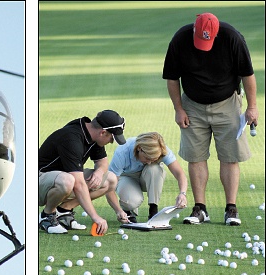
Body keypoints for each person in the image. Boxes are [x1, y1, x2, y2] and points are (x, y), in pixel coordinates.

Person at [162, 13, 259, 226]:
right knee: (195, 156)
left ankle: (231, 209)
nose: (202, 45)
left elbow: (247, 75)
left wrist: (252, 107)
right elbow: (172, 78)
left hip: (228, 103)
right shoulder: (180, 39)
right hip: (193, 104)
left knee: (230, 156)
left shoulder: (232, 38)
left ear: (215, 34)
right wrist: (178, 109)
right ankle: (200, 209)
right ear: (194, 30)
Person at [38, 109, 132, 234]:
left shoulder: (92, 134)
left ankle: (64, 212)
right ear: (103, 133)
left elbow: (103, 163)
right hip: (39, 180)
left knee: (110, 179)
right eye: (111, 138)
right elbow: (78, 184)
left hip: (61, 179)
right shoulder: (72, 138)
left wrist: (99, 172)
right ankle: (46, 215)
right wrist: (96, 217)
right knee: (68, 181)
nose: (110, 142)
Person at [107, 132, 188, 223]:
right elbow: (109, 188)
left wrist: (182, 194)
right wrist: (118, 211)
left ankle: (153, 211)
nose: (149, 162)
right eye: (147, 158)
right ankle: (128, 211)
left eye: (153, 159)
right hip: (127, 176)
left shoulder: (161, 150)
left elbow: (180, 174)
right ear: (139, 149)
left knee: (153, 168)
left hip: (148, 175)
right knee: (131, 201)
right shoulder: (122, 152)